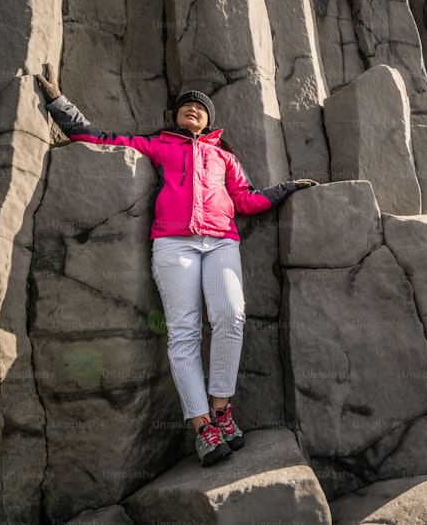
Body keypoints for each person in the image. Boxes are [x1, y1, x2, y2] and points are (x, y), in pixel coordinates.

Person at [33, 63, 318, 466]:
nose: (193, 109)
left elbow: (248, 201)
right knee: (183, 332)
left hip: (220, 242)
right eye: (186, 106)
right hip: (173, 245)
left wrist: (287, 188)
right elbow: (98, 137)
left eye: (200, 108)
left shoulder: (224, 158)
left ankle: (222, 411)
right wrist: (59, 104)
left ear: (209, 122)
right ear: (176, 116)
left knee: (231, 317)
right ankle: (203, 429)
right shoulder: (158, 145)